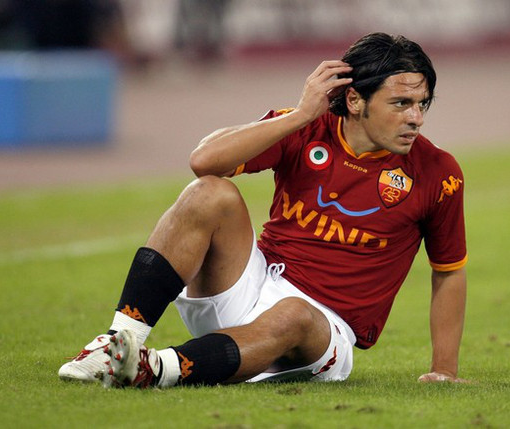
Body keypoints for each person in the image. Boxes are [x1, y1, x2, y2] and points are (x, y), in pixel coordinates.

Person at [58, 32, 468, 388]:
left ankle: (153, 368)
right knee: (209, 193)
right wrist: (302, 113)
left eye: (422, 104)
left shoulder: (438, 172)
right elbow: (204, 160)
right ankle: (116, 343)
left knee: (293, 314)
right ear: (356, 99)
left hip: (323, 332)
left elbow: (448, 271)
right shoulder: (305, 127)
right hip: (249, 286)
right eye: (401, 103)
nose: (416, 118)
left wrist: (444, 370)